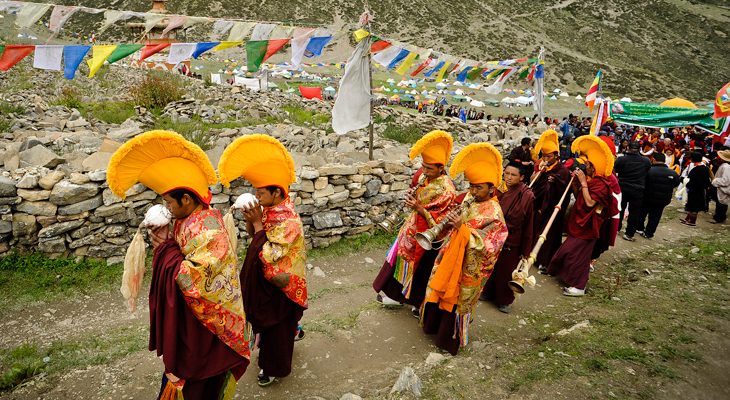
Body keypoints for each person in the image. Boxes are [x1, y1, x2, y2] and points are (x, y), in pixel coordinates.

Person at [106, 130, 250, 399]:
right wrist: (168, 244)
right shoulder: (189, 220)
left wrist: (163, 247)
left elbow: (192, 279)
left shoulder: (208, 231)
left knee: (197, 377)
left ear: (187, 199)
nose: (167, 208)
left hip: (206, 323)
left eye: (169, 201)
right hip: (194, 315)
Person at [217, 135, 308, 387]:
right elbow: (255, 237)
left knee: (275, 327)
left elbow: (270, 254)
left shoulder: (288, 220)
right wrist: (251, 220)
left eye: (260, 191)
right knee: (275, 322)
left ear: (277, 192)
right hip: (267, 280)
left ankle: (272, 368)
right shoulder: (269, 209)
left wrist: (257, 223)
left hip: (282, 284)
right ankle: (295, 329)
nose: (257, 196)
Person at [421, 143, 508, 354]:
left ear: (491, 188)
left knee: (458, 300)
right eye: (471, 186)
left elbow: (490, 245)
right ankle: (432, 327)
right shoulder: (470, 198)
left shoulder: (495, 214)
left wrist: (463, 229)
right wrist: (452, 223)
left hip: (469, 267)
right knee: (439, 288)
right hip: (451, 254)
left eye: (478, 187)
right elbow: (462, 219)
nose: (472, 191)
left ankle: (448, 341)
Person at [373, 130, 456, 316]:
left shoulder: (447, 189)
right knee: (400, 263)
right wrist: (412, 199)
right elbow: (416, 191)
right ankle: (396, 296)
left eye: (429, 169)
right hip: (411, 230)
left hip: (429, 238)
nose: (424, 171)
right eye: (423, 166)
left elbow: (442, 220)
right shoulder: (422, 177)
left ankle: (418, 303)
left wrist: (420, 209)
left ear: (441, 168)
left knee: (423, 271)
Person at [547, 136, 615, 297]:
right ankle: (567, 276)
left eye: (589, 166)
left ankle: (579, 286)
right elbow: (580, 197)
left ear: (595, 167)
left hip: (589, 226)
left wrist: (583, 181)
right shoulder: (593, 181)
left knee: (579, 256)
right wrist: (577, 182)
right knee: (569, 252)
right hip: (579, 223)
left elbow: (591, 203)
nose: (587, 168)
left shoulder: (603, 184)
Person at [480, 161, 534, 313]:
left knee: (505, 270)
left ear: (522, 177)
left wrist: (526, 248)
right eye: (507, 173)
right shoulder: (498, 189)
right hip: (495, 235)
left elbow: (528, 223)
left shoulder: (526, 196)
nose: (508, 177)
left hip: (512, 238)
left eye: (513, 175)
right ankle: (488, 292)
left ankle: (504, 300)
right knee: (491, 266)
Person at [530, 129, 571, 273]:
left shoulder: (562, 171)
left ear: (556, 155)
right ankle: (534, 257)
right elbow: (534, 186)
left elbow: (564, 190)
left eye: (548, 156)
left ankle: (546, 261)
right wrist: (539, 173)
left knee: (550, 235)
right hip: (540, 207)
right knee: (536, 231)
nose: (546, 159)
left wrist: (553, 182)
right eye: (544, 156)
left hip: (553, 209)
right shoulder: (543, 167)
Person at [635, 153, 680, 238]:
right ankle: (649, 233)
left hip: (647, 197)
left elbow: (642, 182)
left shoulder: (648, 170)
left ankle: (639, 228)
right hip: (663, 199)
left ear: (654, 159)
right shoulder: (673, 173)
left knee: (642, 213)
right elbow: (675, 184)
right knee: (656, 216)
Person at [613, 142, 651, 241]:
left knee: (620, 209)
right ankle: (629, 234)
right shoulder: (646, 161)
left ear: (628, 148)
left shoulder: (621, 159)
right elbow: (647, 172)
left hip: (623, 187)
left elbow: (615, 170)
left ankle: (616, 228)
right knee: (635, 212)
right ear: (640, 149)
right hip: (638, 189)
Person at [681, 152, 712, 226]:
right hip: (700, 190)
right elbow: (707, 181)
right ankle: (688, 218)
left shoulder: (696, 170)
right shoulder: (705, 168)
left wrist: (687, 184)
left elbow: (692, 181)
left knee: (693, 205)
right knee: (692, 204)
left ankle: (692, 221)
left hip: (695, 189)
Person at [710, 149, 730, 223]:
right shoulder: (724, 166)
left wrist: (715, 181)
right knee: (720, 203)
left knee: (722, 204)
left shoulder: (726, 167)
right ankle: (719, 217)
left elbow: (726, 180)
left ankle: (719, 218)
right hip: (721, 188)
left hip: (723, 188)